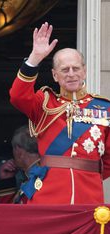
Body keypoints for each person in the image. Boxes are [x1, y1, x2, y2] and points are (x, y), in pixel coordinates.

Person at [9, 22, 110, 204]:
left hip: (89, 195)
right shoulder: (45, 103)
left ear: (84, 71)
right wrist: (34, 58)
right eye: (65, 70)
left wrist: (87, 174)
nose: (71, 74)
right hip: (48, 197)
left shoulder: (104, 109)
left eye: (76, 68)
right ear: (55, 75)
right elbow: (17, 96)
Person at [0, 126, 48, 204]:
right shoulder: (39, 172)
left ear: (18, 151)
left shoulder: (40, 176)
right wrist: (6, 182)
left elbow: (12, 214)